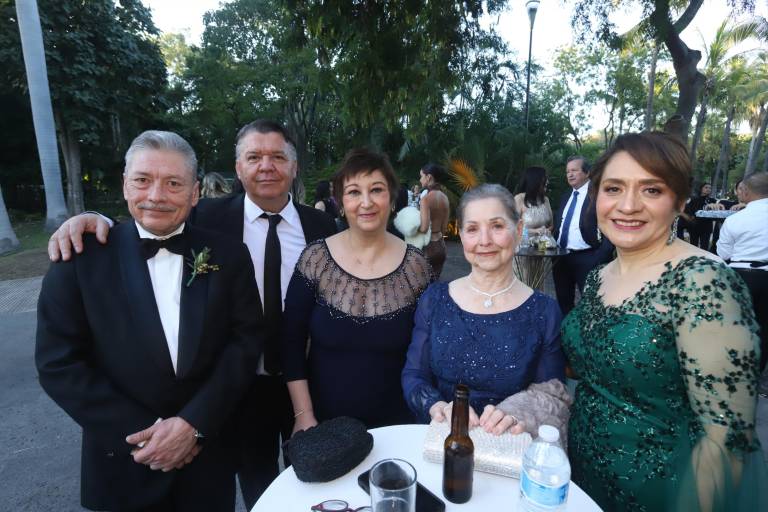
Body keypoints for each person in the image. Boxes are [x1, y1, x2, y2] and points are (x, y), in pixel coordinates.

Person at [46, 120, 337, 509]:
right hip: (230, 399)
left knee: (318, 483)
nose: (266, 166)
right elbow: (148, 221)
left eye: (277, 157)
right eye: (254, 156)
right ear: (238, 168)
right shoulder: (204, 217)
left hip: (301, 382)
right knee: (259, 486)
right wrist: (93, 218)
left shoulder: (321, 225)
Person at [36, 131, 264, 511]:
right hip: (122, 466)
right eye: (143, 180)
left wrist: (193, 424)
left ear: (194, 193)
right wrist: (147, 435)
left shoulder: (229, 255)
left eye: (173, 183)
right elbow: (58, 363)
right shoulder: (78, 259)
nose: (156, 196)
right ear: (125, 185)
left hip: (205, 462)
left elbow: (245, 342)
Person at [562, 132, 767, 511]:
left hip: (661, 489)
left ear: (680, 201)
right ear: (597, 197)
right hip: (580, 477)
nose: (627, 205)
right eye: (613, 188)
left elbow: (726, 438)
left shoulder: (704, 283)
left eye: (651, 190)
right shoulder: (598, 277)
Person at [402, 184, 570, 439]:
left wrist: (518, 412)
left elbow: (552, 393)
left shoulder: (544, 311)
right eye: (472, 229)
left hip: (509, 443)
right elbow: (414, 375)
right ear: (462, 235)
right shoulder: (434, 299)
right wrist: (437, 406)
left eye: (497, 226)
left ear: (519, 230)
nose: (484, 241)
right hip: (442, 439)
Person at [282, 148, 431, 432]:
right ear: (340, 202)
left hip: (397, 427)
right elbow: (291, 341)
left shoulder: (416, 267)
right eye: (353, 192)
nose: (366, 202)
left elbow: (428, 352)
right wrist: (303, 414)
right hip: (322, 425)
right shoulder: (315, 260)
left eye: (376, 190)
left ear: (392, 198)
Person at [717, 172, 768, 373]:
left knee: (735, 325)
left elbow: (723, 254)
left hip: (740, 276)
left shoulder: (736, 220)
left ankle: (733, 370)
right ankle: (757, 372)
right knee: (765, 328)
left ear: (745, 192)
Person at [552, 156, 614, 315]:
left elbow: (611, 224)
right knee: (563, 301)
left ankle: (591, 330)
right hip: (561, 257)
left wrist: (601, 255)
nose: (570, 174)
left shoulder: (598, 195)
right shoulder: (566, 195)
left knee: (592, 304)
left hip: (588, 257)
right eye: (567, 171)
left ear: (587, 173)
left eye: (574, 170)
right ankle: (566, 330)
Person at [418, 163, 450, 280]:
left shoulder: (425, 199)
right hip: (441, 246)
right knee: (435, 281)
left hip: (428, 247)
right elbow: (444, 228)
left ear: (429, 177)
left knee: (423, 284)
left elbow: (424, 228)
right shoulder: (445, 198)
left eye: (421, 176)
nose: (420, 180)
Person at [684, 182, 717, 250]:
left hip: (706, 227)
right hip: (695, 226)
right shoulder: (694, 199)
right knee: (693, 246)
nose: (708, 189)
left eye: (710, 188)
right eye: (706, 187)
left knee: (704, 247)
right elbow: (689, 211)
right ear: (701, 189)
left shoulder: (712, 201)